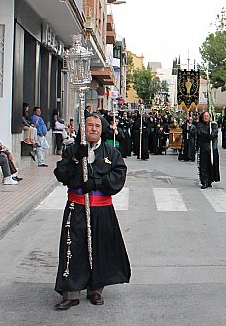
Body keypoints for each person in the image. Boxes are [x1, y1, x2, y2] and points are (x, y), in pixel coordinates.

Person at [53, 113, 130, 310]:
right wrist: (76, 160)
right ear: (83, 128)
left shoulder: (111, 153)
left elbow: (118, 176)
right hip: (76, 207)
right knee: (74, 249)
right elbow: (61, 175)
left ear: (101, 129)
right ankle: (71, 292)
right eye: (89, 125)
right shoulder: (71, 150)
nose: (93, 129)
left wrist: (98, 182)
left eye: (97, 125)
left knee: (100, 248)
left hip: (102, 209)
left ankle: (96, 290)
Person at [196, 111, 220, 189]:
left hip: (212, 149)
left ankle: (210, 180)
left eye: (207, 116)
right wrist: (207, 136)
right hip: (204, 148)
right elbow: (200, 133)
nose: (206, 117)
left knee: (212, 164)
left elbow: (215, 132)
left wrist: (212, 135)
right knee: (204, 165)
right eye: (204, 116)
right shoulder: (200, 125)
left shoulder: (213, 125)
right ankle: (204, 181)